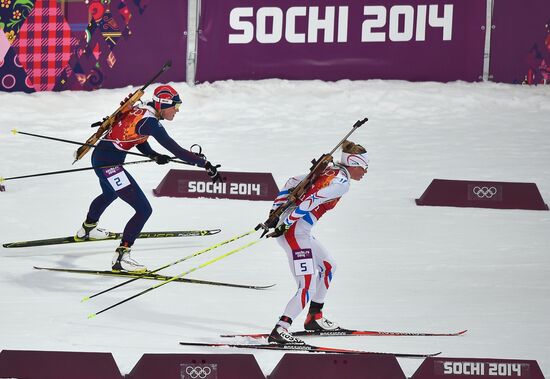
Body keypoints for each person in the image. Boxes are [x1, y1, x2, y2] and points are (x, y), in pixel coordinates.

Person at [75, 85, 222, 272]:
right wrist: (204, 164)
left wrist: (153, 155)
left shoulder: (143, 110)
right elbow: (175, 150)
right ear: (162, 105)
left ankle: (87, 229)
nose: (177, 111)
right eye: (175, 107)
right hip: (109, 166)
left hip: (101, 159)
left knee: (109, 195)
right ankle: (121, 257)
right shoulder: (151, 123)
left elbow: (138, 137)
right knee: (143, 210)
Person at [265, 140, 369, 344]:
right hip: (294, 233)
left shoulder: (329, 170)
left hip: (298, 231)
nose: (365, 172)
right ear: (354, 163)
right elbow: (311, 199)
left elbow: (292, 181)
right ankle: (281, 329)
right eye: (364, 167)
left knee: (329, 265)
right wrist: (286, 222)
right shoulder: (341, 184)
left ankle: (314, 317)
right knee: (307, 286)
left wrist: (276, 211)